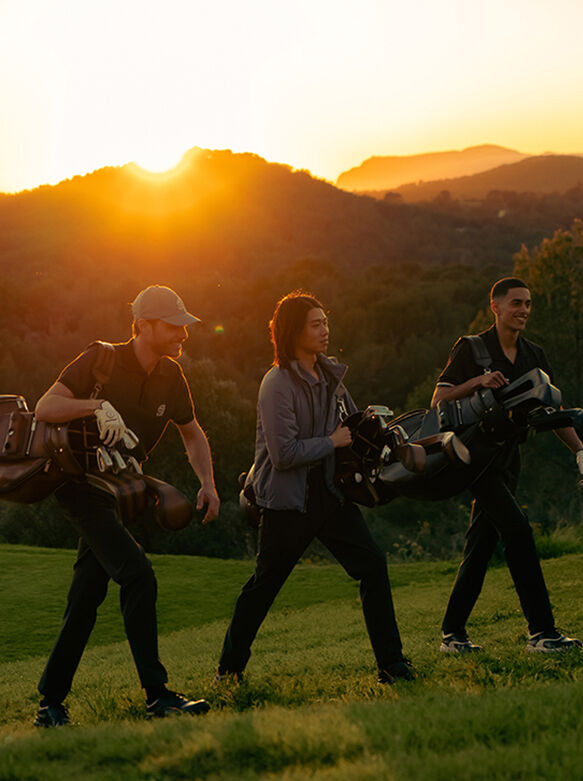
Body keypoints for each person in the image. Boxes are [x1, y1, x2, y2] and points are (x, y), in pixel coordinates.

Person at [33, 285, 220, 727]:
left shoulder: (172, 377)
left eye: (183, 326)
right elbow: (45, 407)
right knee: (137, 574)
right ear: (144, 326)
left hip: (121, 491)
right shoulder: (101, 358)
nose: (183, 335)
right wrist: (98, 406)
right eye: (173, 326)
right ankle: (157, 695)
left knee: (86, 596)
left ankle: (50, 704)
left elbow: (192, 433)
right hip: (81, 488)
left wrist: (208, 484)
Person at [215, 291, 413, 685]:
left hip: (331, 496)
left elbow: (350, 425)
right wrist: (332, 442)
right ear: (293, 332)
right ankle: (228, 672)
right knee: (264, 587)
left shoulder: (330, 377)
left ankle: (393, 666)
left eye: (326, 322)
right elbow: (283, 453)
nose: (326, 331)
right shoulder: (276, 384)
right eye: (316, 324)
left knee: (372, 565)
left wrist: (374, 432)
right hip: (287, 503)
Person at [431, 277, 583, 654]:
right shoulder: (471, 348)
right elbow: (439, 399)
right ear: (495, 307)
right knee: (518, 531)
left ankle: (452, 634)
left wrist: (580, 451)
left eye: (529, 303)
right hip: (475, 459)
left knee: (481, 544)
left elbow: (553, 414)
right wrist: (478, 381)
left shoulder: (535, 356)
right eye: (516, 303)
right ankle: (542, 633)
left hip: (509, 459)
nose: (524, 310)